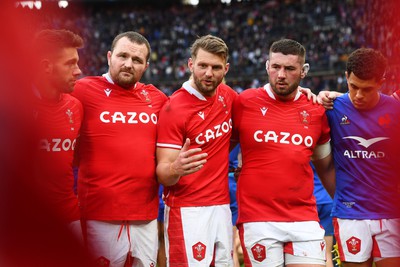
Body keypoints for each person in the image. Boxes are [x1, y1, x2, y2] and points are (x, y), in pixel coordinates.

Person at [232, 38, 336, 267]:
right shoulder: (244, 102)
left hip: (304, 217)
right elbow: (221, 147)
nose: (281, 74)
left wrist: (342, 204)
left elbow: (325, 165)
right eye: (276, 67)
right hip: (258, 218)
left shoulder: (316, 110)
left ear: (303, 71)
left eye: (289, 69)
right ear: (267, 66)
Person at [72, 31, 168, 267]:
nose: (128, 64)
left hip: (144, 215)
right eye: (122, 56)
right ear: (109, 57)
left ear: (146, 65)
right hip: (98, 214)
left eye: (136, 60)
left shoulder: (157, 99)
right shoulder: (82, 90)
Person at [155, 35, 237, 266]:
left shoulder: (227, 96)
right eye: (202, 66)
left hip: (221, 207)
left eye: (215, 67)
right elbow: (163, 172)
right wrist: (175, 167)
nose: (208, 73)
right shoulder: (174, 108)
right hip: (187, 211)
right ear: (191, 65)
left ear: (226, 69)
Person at [323, 48, 400, 267]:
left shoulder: (396, 110)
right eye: (353, 86)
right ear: (346, 77)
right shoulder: (331, 108)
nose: (358, 95)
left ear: (381, 82)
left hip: (392, 214)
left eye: (366, 89)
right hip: (351, 215)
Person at [32, 29, 84, 239]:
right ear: (46, 66)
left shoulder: (76, 107)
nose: (78, 70)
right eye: (70, 64)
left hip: (69, 219)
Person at [312, 162, 334, 267]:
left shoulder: (303, 148)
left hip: (309, 203)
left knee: (306, 253)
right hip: (328, 200)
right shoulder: (328, 150)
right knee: (327, 253)